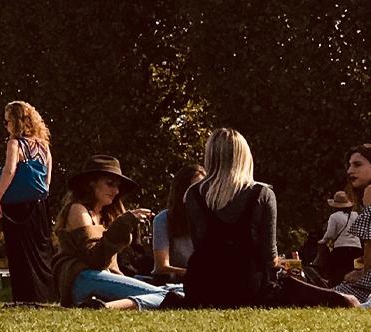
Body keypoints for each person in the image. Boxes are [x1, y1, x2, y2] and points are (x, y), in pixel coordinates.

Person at [183, 130, 353, 308]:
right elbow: (269, 258)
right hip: (247, 285)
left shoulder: (194, 194)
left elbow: (199, 244)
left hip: (202, 285)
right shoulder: (262, 194)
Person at [53, 155, 171, 309]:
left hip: (101, 277)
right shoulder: (79, 210)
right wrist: (123, 224)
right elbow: (95, 259)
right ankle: (108, 307)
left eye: (118, 186)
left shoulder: (105, 215)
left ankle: (103, 306)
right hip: (83, 278)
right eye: (110, 184)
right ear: (90, 183)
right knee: (168, 296)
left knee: (178, 290)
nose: (115, 191)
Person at [0, 100, 57, 305]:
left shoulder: (15, 144)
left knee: (20, 252)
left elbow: (9, 171)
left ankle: (24, 296)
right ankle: (45, 294)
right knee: (40, 252)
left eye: (7, 121)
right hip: (39, 204)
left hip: (17, 206)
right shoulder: (43, 145)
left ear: (16, 121)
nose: (6, 125)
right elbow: (47, 176)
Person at [152, 164, 203, 282]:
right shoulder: (163, 219)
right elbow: (161, 267)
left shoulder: (210, 217)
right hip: (176, 282)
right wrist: (194, 274)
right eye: (194, 188)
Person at [319, 187, 360, 284]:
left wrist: (322, 241)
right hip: (356, 249)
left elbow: (330, 234)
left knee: (337, 273)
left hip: (341, 249)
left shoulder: (334, 216)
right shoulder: (355, 215)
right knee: (353, 274)